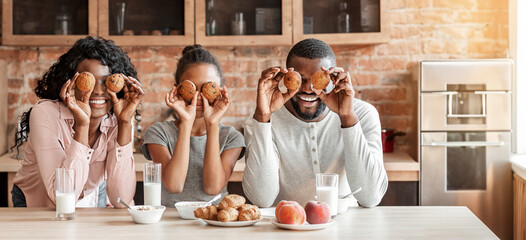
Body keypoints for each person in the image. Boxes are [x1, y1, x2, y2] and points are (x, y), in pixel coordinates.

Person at [242, 38, 388, 208]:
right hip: (287, 226)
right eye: (300, 79)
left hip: (346, 224)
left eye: (318, 79)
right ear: (287, 77)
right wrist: (263, 118)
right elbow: (261, 199)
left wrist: (347, 118)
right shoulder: (261, 121)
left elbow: (371, 197)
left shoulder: (362, 115)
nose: (308, 89)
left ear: (333, 78)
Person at [10, 36, 144, 208]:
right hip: (38, 202)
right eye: (89, 82)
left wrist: (125, 123)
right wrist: (82, 125)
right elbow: (62, 198)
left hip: (87, 198)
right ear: (71, 83)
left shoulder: (116, 118)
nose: (98, 91)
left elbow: (122, 200)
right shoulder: (45, 114)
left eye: (106, 82)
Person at [141, 45, 245, 207]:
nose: (198, 97)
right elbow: (174, 185)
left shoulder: (231, 137)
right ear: (177, 89)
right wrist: (185, 124)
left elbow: (212, 188)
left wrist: (212, 125)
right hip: (170, 221)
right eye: (191, 88)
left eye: (207, 88)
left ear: (220, 90)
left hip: (214, 222)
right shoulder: (158, 133)